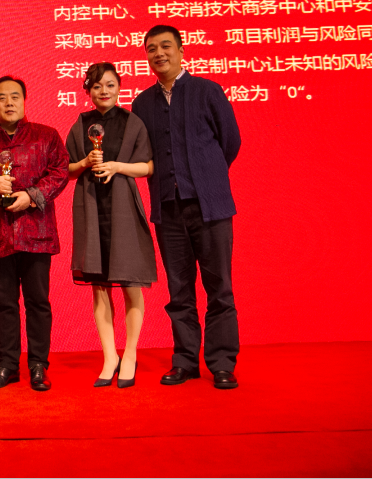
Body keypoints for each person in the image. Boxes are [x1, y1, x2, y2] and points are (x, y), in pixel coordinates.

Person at [131, 25, 242, 390]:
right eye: (151, 49)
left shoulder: (208, 91)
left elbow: (230, 142)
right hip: (168, 210)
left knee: (219, 288)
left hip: (210, 207)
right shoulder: (142, 104)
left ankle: (222, 363)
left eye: (166, 46)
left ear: (181, 51)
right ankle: (185, 361)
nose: (158, 53)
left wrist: (206, 177)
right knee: (179, 291)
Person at [0, 76, 68, 392]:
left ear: (24, 100)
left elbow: (60, 172)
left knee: (38, 302)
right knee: (4, 304)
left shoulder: (46, 136)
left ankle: (38, 365)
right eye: (1, 97)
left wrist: (31, 195)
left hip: (36, 232)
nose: (9, 102)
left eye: (14, 96)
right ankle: (7, 365)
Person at [66, 63, 157, 388]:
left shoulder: (133, 122)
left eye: (109, 85)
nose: (103, 91)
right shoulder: (80, 124)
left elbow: (148, 167)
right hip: (91, 209)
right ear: (88, 91)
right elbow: (67, 170)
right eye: (96, 86)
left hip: (123, 208)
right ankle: (110, 356)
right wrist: (84, 162)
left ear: (119, 87)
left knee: (131, 283)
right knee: (99, 287)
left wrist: (117, 166)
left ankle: (130, 353)